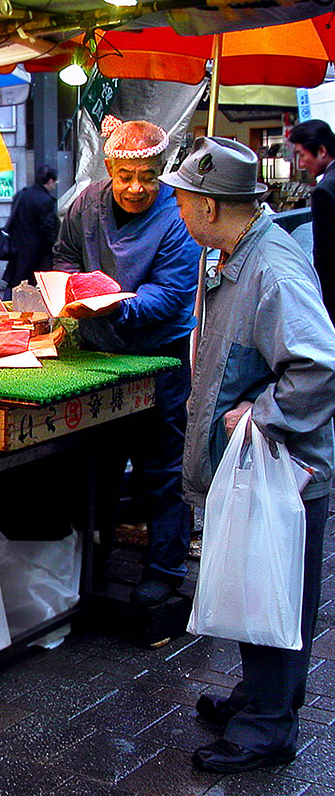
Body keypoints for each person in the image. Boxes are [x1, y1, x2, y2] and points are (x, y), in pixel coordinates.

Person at [160, 136, 335, 773]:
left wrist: (258, 416)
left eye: (181, 199)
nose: (176, 210)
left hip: (285, 468)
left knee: (277, 592)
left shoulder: (273, 270)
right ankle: (258, 695)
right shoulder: (235, 253)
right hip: (251, 468)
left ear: (209, 207)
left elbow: (319, 366)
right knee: (255, 586)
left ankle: (269, 727)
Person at [51, 119, 201, 608]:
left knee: (162, 466)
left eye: (149, 176)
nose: (137, 187)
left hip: (158, 355)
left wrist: (116, 304)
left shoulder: (178, 214)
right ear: (110, 169)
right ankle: (92, 557)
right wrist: (74, 289)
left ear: (164, 172)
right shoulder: (86, 204)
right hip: (97, 352)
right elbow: (65, 254)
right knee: (98, 460)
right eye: (126, 176)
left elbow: (174, 294)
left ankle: (164, 569)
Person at [288, 119, 335, 321]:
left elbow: (326, 256)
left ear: (322, 151)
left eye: (301, 154)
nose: (301, 164)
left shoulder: (326, 191)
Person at [1, 164, 59, 294]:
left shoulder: (21, 195)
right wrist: (53, 248)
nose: (55, 185)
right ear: (50, 181)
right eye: (55, 181)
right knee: (35, 290)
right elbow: (47, 230)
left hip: (17, 250)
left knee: (14, 286)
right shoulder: (46, 200)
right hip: (37, 254)